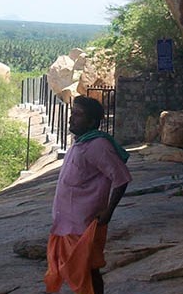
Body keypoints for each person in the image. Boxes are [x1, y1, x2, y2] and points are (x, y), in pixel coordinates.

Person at [45, 95, 131, 294]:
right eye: (72, 113)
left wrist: (108, 212)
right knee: (76, 268)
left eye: (78, 115)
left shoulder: (98, 145)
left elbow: (121, 178)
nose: (71, 118)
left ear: (92, 121)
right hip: (67, 223)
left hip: (84, 224)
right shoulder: (81, 143)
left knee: (89, 269)